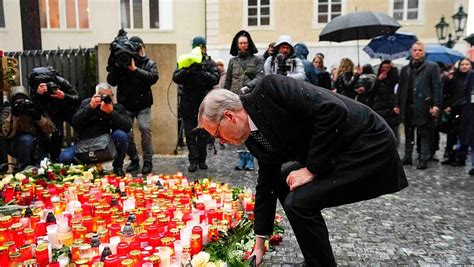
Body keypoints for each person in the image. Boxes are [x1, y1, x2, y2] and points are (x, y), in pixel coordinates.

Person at [198, 75, 408, 266]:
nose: (222, 141)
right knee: (281, 180)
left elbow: (334, 109)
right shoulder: (252, 137)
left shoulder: (270, 89)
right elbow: (266, 184)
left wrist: (312, 169)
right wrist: (259, 244)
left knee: (298, 202)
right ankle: (315, 260)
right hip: (338, 150)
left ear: (229, 116)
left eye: (218, 134)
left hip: (368, 144)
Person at [107, 36, 159, 175]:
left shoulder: (149, 63)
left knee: (144, 127)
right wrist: (116, 66)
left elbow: (153, 78)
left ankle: (147, 161)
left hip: (143, 104)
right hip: (126, 105)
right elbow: (111, 81)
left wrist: (135, 69)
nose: (139, 51)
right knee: (127, 133)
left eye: (140, 48)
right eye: (136, 49)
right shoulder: (121, 62)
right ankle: (134, 159)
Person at [59, 83, 132, 176]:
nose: (108, 98)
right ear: (96, 95)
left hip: (106, 145)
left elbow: (127, 126)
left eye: (110, 96)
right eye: (104, 96)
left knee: (121, 135)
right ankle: (85, 169)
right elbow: (75, 121)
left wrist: (111, 113)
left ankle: (118, 166)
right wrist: (91, 107)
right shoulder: (87, 103)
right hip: (85, 144)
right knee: (64, 157)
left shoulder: (116, 107)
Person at [173, 36, 220, 172]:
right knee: (190, 134)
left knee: (204, 134)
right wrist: (187, 70)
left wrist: (201, 72)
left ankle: (202, 159)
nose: (200, 49)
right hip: (188, 104)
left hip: (204, 104)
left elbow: (215, 79)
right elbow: (176, 77)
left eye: (201, 47)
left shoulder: (209, 62)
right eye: (197, 47)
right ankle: (192, 160)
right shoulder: (186, 61)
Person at [394, 41, 442, 170]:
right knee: (408, 133)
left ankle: (423, 158)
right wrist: (397, 104)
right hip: (408, 106)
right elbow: (401, 89)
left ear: (424, 52)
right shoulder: (405, 69)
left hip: (424, 106)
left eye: (420, 50)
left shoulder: (432, 67)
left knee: (424, 134)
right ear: (411, 52)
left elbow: (437, 87)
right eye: (415, 50)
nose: (417, 52)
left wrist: (436, 105)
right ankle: (408, 156)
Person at [224, 30, 265, 171]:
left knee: (251, 128)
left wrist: (248, 87)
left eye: (245, 43)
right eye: (240, 43)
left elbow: (260, 77)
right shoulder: (232, 61)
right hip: (235, 99)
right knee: (238, 128)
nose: (243, 45)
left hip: (250, 98)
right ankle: (241, 158)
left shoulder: (258, 60)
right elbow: (228, 80)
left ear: (249, 44)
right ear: (237, 45)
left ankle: (251, 158)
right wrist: (224, 97)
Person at [28, 67, 81, 162]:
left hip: (69, 110)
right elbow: (36, 110)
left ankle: (82, 153)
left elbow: (77, 99)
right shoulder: (35, 88)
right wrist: (38, 95)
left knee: (80, 126)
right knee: (56, 134)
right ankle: (54, 160)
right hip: (53, 113)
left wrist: (64, 96)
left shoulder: (61, 82)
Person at [1, 86, 55, 171]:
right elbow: (5, 133)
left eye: (23, 99)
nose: (20, 103)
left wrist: (38, 117)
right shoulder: (8, 111)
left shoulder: (35, 106)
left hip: (38, 144)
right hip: (18, 145)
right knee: (26, 139)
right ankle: (23, 168)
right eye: (17, 100)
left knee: (46, 169)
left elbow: (51, 129)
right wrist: (13, 116)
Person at [440, 59, 471, 166]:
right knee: (452, 134)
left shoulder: (471, 78)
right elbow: (447, 93)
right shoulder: (453, 78)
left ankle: (461, 158)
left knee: (464, 135)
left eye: (467, 64)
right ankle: (451, 155)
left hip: (467, 111)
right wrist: (447, 105)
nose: (464, 66)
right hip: (453, 110)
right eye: (462, 64)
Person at [371, 60, 401, 144]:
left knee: (393, 131)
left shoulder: (394, 79)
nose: (385, 69)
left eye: (387, 68)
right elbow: (373, 92)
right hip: (380, 108)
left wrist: (394, 69)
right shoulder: (378, 79)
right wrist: (378, 80)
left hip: (391, 108)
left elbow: (396, 84)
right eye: (383, 67)